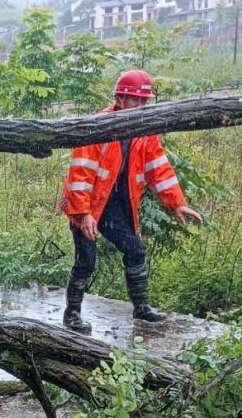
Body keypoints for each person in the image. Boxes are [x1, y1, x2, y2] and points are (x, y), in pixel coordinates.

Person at [60, 69, 203, 333]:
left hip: (114, 206)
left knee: (135, 249)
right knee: (86, 260)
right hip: (86, 205)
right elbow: (80, 172)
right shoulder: (98, 127)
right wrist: (82, 213)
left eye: (144, 101)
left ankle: (141, 307)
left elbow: (158, 167)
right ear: (120, 99)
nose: (140, 106)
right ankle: (71, 315)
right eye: (135, 100)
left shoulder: (144, 131)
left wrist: (177, 203)